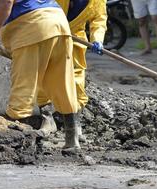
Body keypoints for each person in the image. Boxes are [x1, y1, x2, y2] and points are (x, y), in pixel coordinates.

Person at [0, 0, 81, 150]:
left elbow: (6, 2)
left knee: (24, 81)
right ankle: (72, 141)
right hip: (59, 24)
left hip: (32, 26)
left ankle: (15, 137)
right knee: (62, 83)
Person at [36, 0, 107, 142]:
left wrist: (97, 39)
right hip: (49, 34)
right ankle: (47, 118)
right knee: (42, 76)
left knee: (76, 80)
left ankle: (75, 124)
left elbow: (99, 19)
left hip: (75, 37)